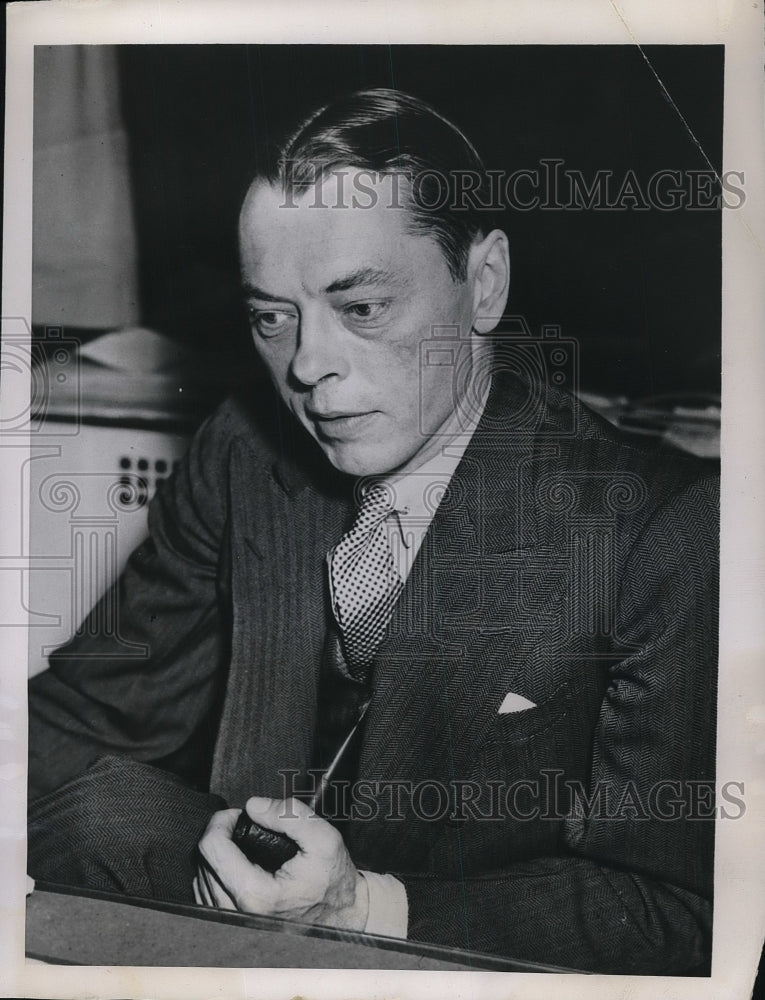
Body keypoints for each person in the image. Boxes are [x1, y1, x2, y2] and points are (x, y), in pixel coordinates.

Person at [27, 88, 718, 975]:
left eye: (360, 308)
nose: (307, 365)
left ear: (485, 284)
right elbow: (86, 720)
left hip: (463, 966)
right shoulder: (244, 451)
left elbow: (679, 913)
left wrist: (360, 908)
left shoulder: (663, 527)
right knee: (97, 814)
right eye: (272, 317)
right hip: (242, 949)